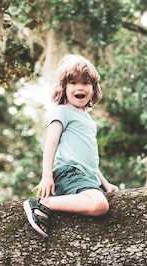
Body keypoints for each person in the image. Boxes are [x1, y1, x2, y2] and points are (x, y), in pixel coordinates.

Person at [23, 54, 119, 237]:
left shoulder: (88, 119)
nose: (80, 87)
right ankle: (44, 204)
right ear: (64, 88)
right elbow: (50, 143)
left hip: (86, 176)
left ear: (93, 88)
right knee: (100, 205)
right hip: (70, 172)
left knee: (99, 202)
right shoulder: (63, 111)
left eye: (86, 82)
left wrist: (105, 183)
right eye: (73, 82)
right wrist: (47, 176)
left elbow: (89, 158)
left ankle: (48, 205)